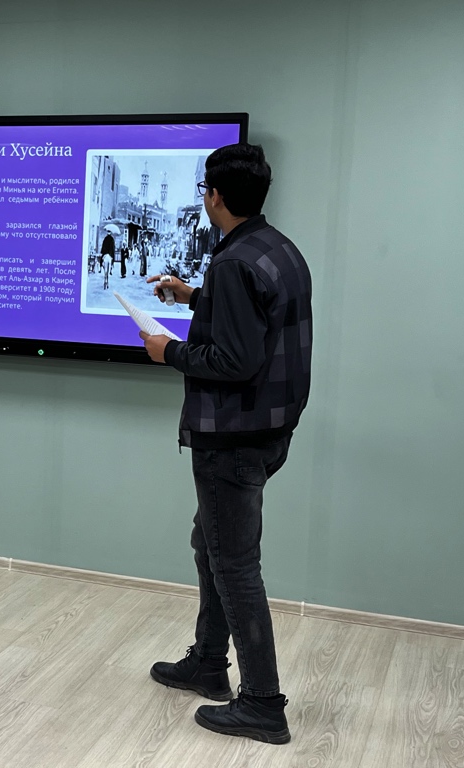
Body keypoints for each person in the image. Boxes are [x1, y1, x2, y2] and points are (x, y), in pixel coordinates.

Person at [140, 143, 312, 744]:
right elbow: (258, 324)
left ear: (214, 196)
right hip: (269, 430)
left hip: (232, 436)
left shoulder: (233, 262)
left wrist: (168, 351)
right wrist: (194, 297)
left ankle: (262, 702)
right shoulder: (276, 248)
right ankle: (209, 662)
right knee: (210, 542)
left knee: (234, 564)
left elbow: (235, 361)